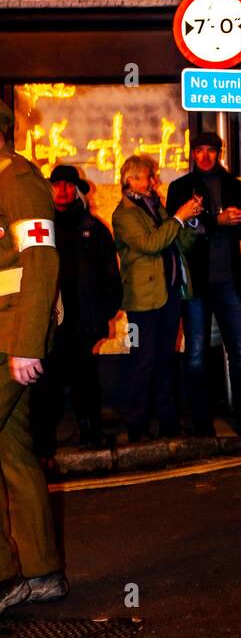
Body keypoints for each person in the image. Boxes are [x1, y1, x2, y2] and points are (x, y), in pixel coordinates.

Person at [0, 98, 69, 617]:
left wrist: (27, 344)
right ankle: (40, 573)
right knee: (15, 455)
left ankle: (8, 575)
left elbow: (40, 258)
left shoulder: (19, 180)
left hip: (9, 338)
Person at [166, 132, 241, 436]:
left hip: (229, 280)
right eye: (200, 151)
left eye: (211, 151)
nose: (206, 156)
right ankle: (201, 424)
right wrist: (215, 221)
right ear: (192, 154)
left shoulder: (235, 186)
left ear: (219, 153)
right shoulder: (180, 187)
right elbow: (176, 229)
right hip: (196, 281)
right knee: (195, 353)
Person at [30, 165, 122, 461]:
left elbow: (110, 275)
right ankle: (43, 444)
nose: (63, 190)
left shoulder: (93, 228)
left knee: (86, 382)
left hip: (83, 323)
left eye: (69, 185)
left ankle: (91, 434)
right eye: (57, 185)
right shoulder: (40, 228)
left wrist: (104, 314)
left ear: (77, 190)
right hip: (49, 325)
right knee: (47, 387)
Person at [112, 155, 201, 443]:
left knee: (165, 360)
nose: (154, 181)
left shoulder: (155, 206)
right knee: (142, 361)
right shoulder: (124, 214)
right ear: (132, 179)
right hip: (142, 302)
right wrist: (177, 218)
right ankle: (137, 427)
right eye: (149, 176)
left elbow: (179, 242)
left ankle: (168, 423)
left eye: (152, 176)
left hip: (169, 293)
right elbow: (151, 245)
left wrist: (190, 221)